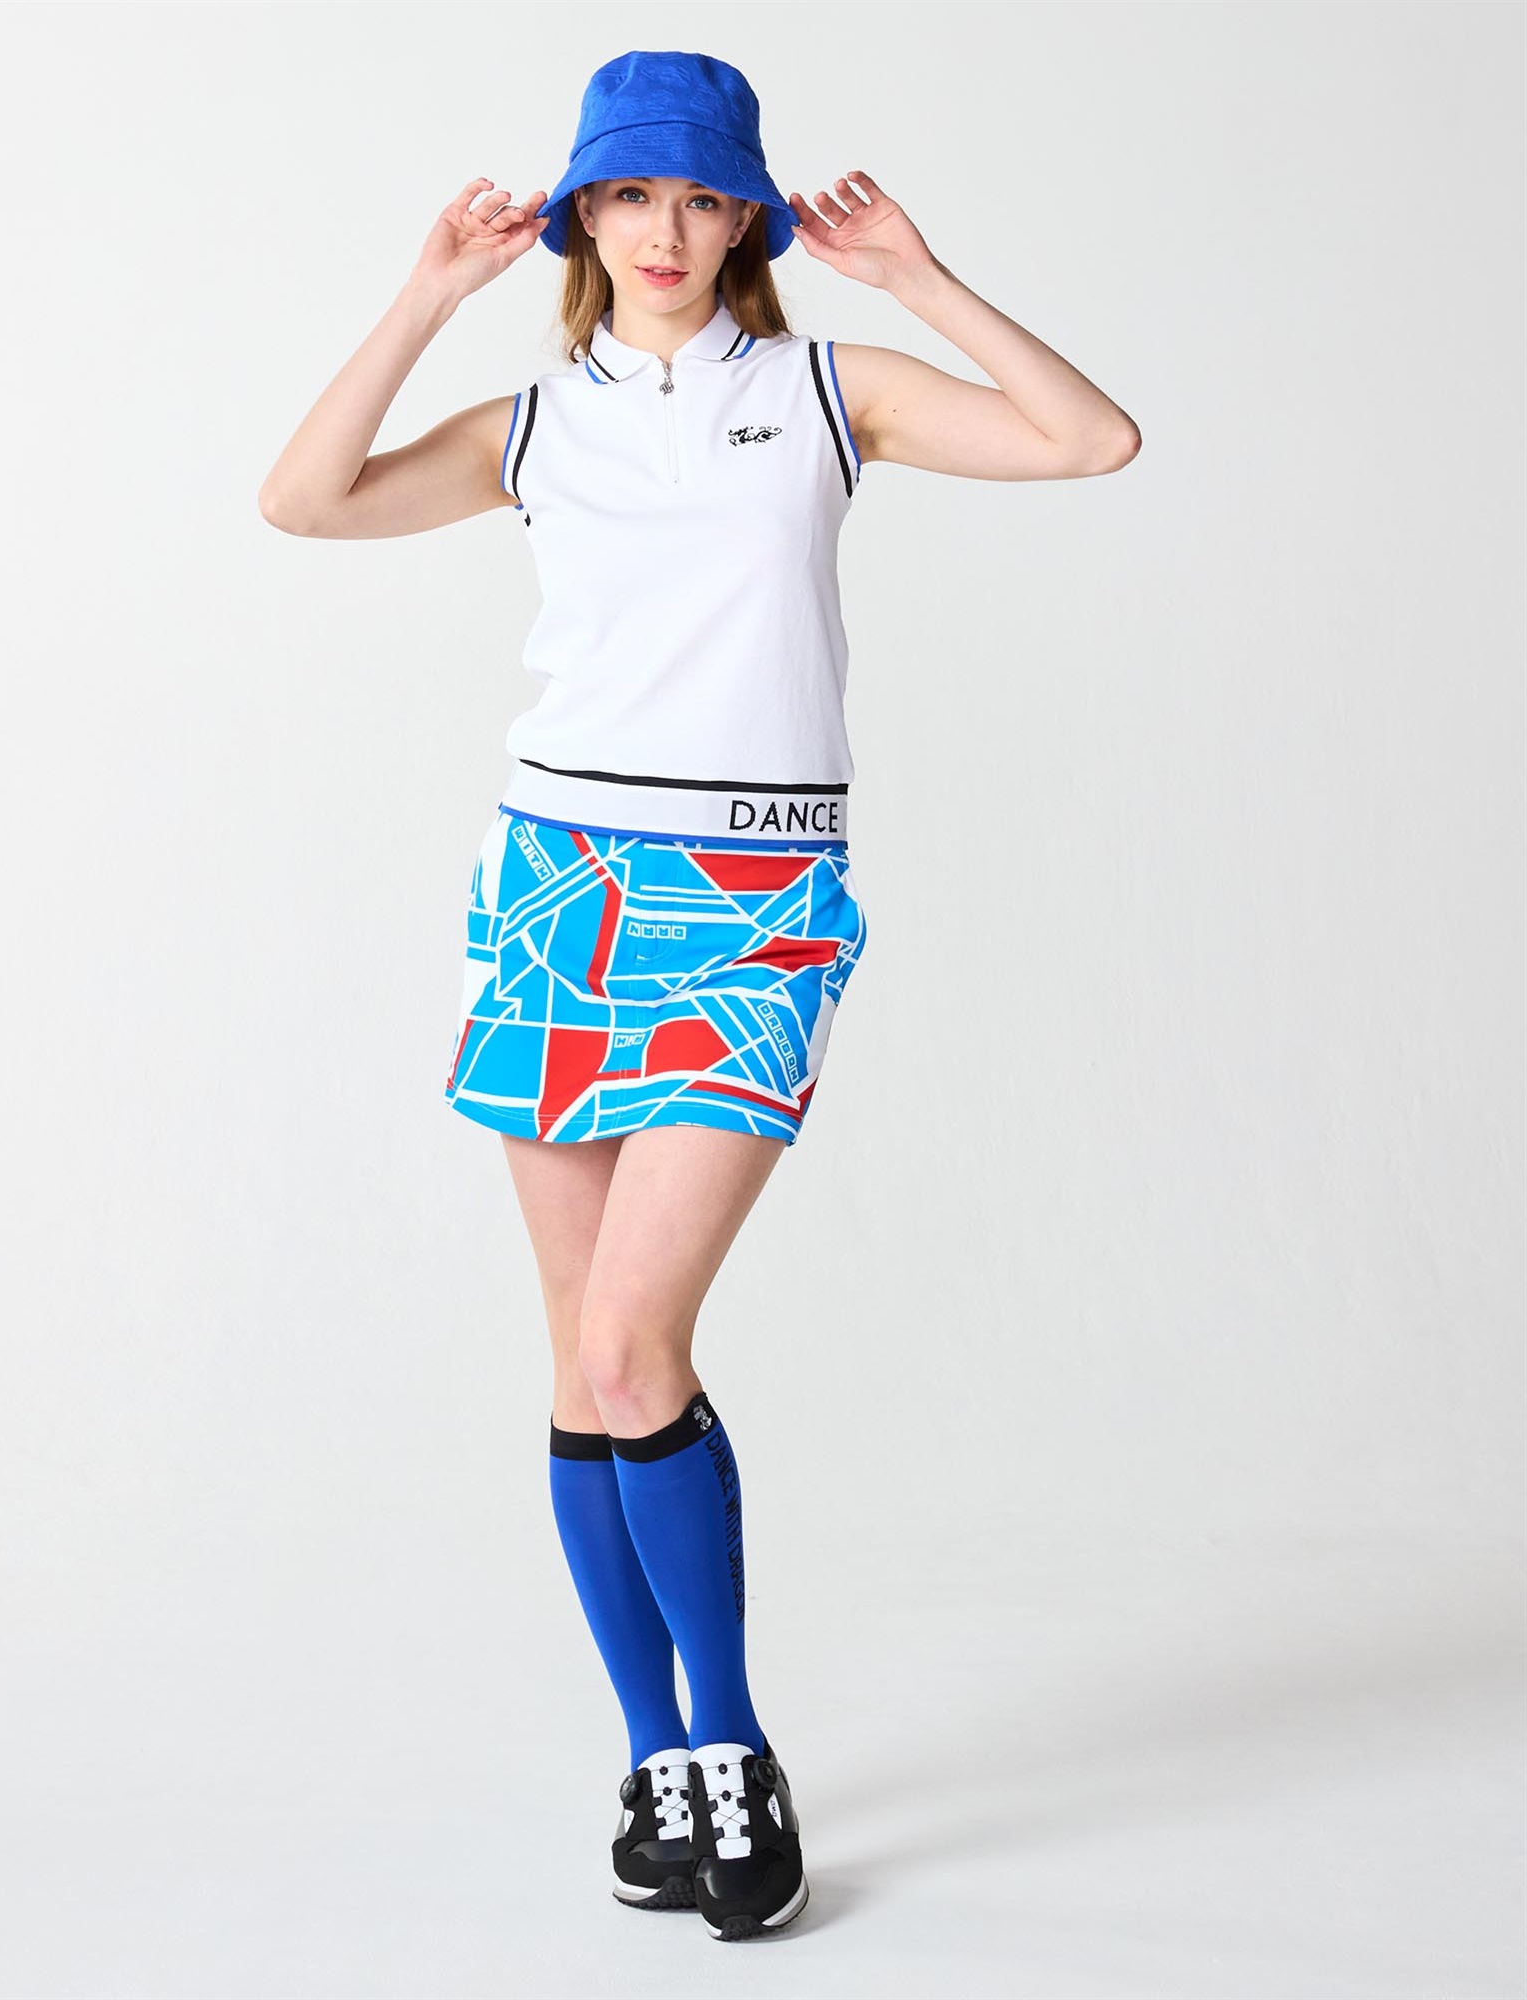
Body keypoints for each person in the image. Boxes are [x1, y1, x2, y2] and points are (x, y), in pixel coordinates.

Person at [259, 47, 1139, 1944]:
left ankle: (731, 1744)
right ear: (583, 214)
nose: (665, 231)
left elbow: (1091, 442)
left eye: (702, 194)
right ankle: (653, 1762)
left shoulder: (825, 394)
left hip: (753, 898)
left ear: (749, 216)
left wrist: (919, 278)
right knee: (583, 1360)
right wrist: (426, 295)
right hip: (555, 890)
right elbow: (303, 501)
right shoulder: (535, 424)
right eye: (631, 194)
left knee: (636, 1341)